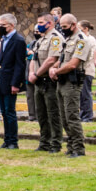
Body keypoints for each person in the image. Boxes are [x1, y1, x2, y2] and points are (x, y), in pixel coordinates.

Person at [49, 14, 88, 158]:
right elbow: (62, 59)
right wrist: (54, 68)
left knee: (72, 116)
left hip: (72, 82)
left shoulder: (81, 41)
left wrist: (56, 71)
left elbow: (72, 64)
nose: (62, 29)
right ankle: (71, 146)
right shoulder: (68, 40)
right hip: (62, 81)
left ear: (73, 24)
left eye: (65, 27)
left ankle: (78, 148)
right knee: (64, 117)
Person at [29, 13, 64, 153]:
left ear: (50, 23)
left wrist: (37, 73)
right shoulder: (40, 40)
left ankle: (55, 144)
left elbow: (51, 59)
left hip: (49, 82)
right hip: (39, 82)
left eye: (41, 22)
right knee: (41, 114)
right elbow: (34, 58)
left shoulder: (55, 38)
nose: (38, 25)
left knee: (53, 114)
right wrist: (31, 73)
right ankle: (44, 142)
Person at [0, 14, 26, 149]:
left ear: (11, 25)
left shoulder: (18, 40)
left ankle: (13, 141)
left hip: (10, 81)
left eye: (3, 25)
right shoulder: (3, 39)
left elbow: (20, 64)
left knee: (10, 111)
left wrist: (15, 83)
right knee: (4, 112)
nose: (1, 27)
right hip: (2, 80)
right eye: (0, 25)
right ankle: (7, 140)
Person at [78, 21, 96, 122]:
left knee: (86, 93)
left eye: (79, 27)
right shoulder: (80, 39)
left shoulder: (91, 39)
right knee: (81, 94)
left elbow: (90, 55)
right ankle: (82, 114)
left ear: (85, 28)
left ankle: (88, 116)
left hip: (87, 70)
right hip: (80, 70)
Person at [25, 31, 41, 122]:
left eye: (37, 32)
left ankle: (39, 116)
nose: (36, 33)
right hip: (28, 73)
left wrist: (32, 53)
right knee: (30, 96)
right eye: (35, 32)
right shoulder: (31, 44)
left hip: (38, 73)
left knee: (37, 96)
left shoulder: (42, 43)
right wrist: (30, 53)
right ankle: (31, 116)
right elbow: (26, 53)